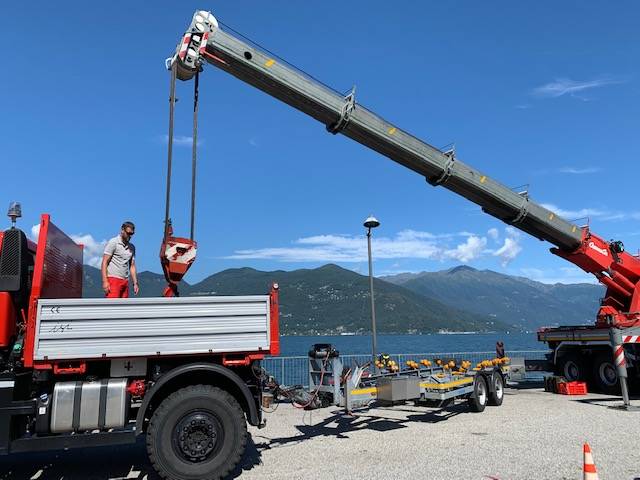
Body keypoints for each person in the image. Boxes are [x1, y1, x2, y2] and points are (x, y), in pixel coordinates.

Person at [101, 221, 139, 298]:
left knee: (123, 308)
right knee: (112, 307)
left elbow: (132, 266)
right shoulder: (113, 242)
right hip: (113, 279)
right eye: (128, 233)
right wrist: (105, 281)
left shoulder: (132, 247)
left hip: (125, 281)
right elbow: (104, 262)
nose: (130, 236)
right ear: (122, 230)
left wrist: (135, 283)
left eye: (132, 234)